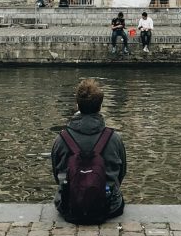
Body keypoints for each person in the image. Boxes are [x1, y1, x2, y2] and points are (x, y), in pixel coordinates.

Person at [51, 78, 126, 224]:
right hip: (108, 206)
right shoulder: (114, 138)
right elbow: (121, 173)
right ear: (100, 106)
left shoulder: (61, 139)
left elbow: (56, 173)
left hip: (69, 205)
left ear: (77, 105)